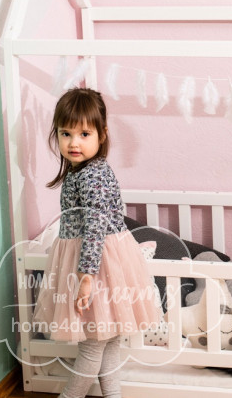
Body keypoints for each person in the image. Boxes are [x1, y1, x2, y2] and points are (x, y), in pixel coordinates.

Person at [33, 88, 160, 398]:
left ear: (102, 135)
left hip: (96, 265)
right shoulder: (84, 171)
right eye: (66, 133)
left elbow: (95, 225)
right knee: (109, 340)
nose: (74, 142)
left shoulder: (92, 175)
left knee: (93, 345)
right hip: (102, 259)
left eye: (84, 133)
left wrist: (86, 276)